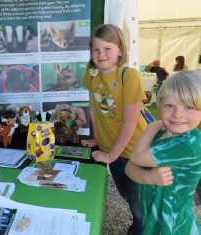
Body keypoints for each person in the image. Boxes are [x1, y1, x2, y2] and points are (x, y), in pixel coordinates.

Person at [81, 24, 147, 235]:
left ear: (120, 50)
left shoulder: (129, 76)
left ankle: (140, 229)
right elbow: (94, 107)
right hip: (113, 151)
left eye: (107, 48)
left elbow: (130, 122)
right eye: (96, 50)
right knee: (127, 196)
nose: (101, 55)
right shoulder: (91, 74)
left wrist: (111, 154)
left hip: (136, 153)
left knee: (139, 205)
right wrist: (98, 137)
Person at [125, 70, 201, 235]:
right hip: (154, 214)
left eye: (189, 107)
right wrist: (148, 177)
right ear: (160, 104)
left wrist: (151, 127)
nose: (177, 114)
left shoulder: (188, 144)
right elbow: (129, 168)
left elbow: (135, 158)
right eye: (169, 105)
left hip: (172, 226)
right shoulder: (162, 133)